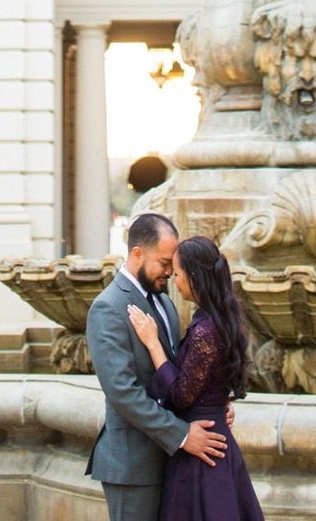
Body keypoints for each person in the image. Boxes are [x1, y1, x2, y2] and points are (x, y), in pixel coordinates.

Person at [86, 212, 228, 521]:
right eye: (164, 263)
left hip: (173, 460)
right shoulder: (107, 308)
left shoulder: (164, 303)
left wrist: (213, 403)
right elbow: (123, 392)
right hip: (133, 466)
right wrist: (180, 434)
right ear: (137, 253)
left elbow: (177, 374)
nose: (170, 273)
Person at [127, 233, 263, 521]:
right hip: (210, 438)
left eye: (178, 273)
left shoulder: (204, 330)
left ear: (194, 276)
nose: (174, 280)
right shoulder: (216, 319)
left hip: (202, 448)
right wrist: (219, 402)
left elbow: (180, 396)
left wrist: (153, 344)